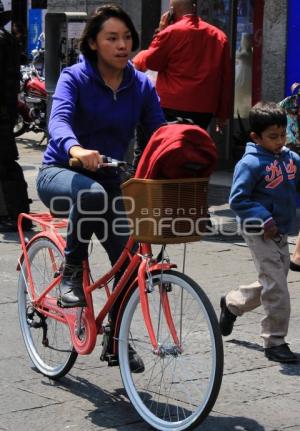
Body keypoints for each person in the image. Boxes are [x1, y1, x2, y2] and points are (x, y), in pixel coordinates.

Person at [36, 6, 165, 311]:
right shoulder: (74, 77)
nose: (122, 45)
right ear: (93, 43)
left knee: (128, 265)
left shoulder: (142, 85)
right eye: (112, 38)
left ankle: (117, 341)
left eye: (127, 38)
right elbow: (58, 121)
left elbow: (158, 131)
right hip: (59, 171)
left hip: (110, 180)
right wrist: (76, 149)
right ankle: (71, 271)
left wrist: (180, 150)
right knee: (90, 194)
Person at [219, 101, 300, 363]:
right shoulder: (250, 163)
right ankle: (275, 341)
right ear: (256, 136)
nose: (279, 141)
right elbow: (237, 199)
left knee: (273, 280)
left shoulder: (291, 158)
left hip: (282, 230)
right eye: (273, 137)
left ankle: (233, 303)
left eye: (282, 135)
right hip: (258, 231)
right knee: (276, 285)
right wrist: (263, 218)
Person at [132, 0, 232, 131]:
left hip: (171, 104)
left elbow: (151, 62)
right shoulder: (219, 36)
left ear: (172, 11)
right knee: (195, 146)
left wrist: (160, 31)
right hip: (204, 108)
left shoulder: (170, 32)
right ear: (195, 8)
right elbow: (225, 78)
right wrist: (222, 114)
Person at [0, 7, 31, 232]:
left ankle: (15, 214)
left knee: (6, 165)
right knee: (6, 164)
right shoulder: (8, 40)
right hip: (6, 109)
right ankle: (15, 213)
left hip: (2, 111)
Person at [234, 32, 252, 119]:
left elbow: (239, 56)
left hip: (245, 75)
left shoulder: (246, 53)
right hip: (241, 74)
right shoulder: (243, 52)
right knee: (240, 95)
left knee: (243, 94)